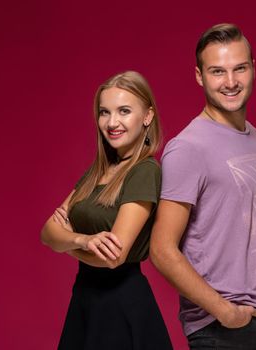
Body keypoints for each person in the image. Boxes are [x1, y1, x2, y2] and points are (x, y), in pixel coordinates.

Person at [150, 24, 256, 349]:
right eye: (217, 71)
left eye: (239, 68)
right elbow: (161, 250)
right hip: (224, 331)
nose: (230, 82)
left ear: (253, 68)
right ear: (200, 76)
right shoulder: (188, 148)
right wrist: (225, 312)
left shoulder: (255, 137)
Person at [41, 71, 172, 350]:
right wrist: (82, 241)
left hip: (120, 305)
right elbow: (46, 233)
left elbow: (114, 257)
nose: (112, 122)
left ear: (147, 116)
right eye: (104, 112)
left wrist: (65, 244)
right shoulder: (97, 172)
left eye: (124, 111)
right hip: (85, 299)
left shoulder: (144, 171)